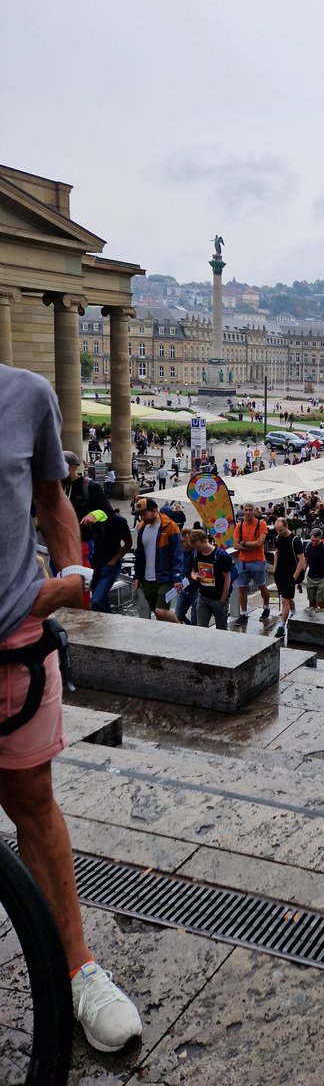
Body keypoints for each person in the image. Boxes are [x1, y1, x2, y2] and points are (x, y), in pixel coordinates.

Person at [0, 364, 141, 1052]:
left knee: (33, 800)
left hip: (16, 647)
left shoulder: (26, 396)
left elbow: (53, 498)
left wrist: (75, 575)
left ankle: (77, 965)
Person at [132, 498, 184, 621]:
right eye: (140, 515)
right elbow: (139, 554)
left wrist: (177, 577)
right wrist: (137, 576)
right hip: (147, 578)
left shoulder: (170, 527)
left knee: (161, 610)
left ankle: (181, 631)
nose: (142, 518)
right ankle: (166, 636)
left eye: (144, 514)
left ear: (154, 511)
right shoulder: (141, 527)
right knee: (157, 612)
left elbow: (177, 554)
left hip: (166, 577)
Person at [81, 508, 133, 612]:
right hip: (94, 565)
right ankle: (107, 623)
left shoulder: (118, 521)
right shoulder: (88, 521)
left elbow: (128, 543)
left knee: (96, 601)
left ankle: (107, 620)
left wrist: (114, 561)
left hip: (108, 566)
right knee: (101, 599)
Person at [233, 502, 271, 624]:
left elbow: (260, 543)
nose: (248, 512)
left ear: (253, 511)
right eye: (246, 510)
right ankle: (243, 613)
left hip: (258, 560)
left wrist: (244, 544)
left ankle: (266, 606)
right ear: (243, 511)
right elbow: (235, 544)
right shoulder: (239, 525)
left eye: (250, 510)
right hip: (243, 561)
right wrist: (250, 546)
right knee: (242, 588)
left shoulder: (261, 523)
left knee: (261, 586)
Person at [190, 530, 233, 630]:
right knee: (201, 628)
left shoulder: (221, 555)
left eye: (198, 547)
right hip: (203, 596)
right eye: (195, 548)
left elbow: (227, 578)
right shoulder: (196, 554)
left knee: (221, 628)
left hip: (218, 598)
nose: (197, 549)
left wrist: (223, 599)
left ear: (205, 541)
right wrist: (195, 576)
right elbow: (193, 571)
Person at [272, 518, 303, 638]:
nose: (278, 532)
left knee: (284, 600)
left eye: (280, 530)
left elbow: (301, 560)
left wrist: (294, 577)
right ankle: (294, 613)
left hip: (291, 573)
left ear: (286, 526)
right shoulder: (278, 538)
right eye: (277, 530)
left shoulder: (295, 540)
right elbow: (277, 553)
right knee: (287, 597)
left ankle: (281, 626)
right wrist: (275, 569)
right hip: (280, 572)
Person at [296, 528, 324, 611]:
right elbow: (306, 561)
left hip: (323, 577)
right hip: (311, 577)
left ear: (320, 538)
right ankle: (314, 620)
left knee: (320, 601)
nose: (314, 542)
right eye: (312, 540)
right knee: (312, 602)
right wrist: (301, 574)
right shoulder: (307, 546)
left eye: (316, 541)